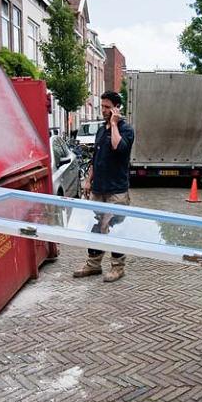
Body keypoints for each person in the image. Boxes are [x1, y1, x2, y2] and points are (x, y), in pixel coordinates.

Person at [73, 91, 135, 282]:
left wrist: (114, 123)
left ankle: (118, 267)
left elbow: (118, 147)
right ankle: (93, 265)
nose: (104, 110)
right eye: (103, 107)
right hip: (99, 189)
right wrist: (88, 180)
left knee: (116, 228)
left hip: (116, 190)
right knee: (96, 226)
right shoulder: (100, 129)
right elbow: (95, 158)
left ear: (117, 108)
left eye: (108, 107)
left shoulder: (126, 130)